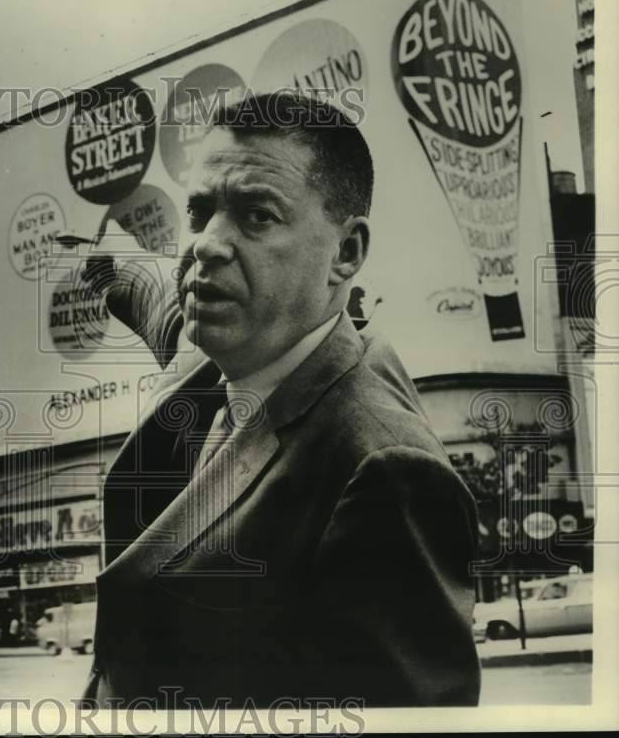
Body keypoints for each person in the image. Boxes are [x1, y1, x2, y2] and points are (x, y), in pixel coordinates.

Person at [80, 91, 480, 709]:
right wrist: (107, 271)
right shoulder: (237, 352)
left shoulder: (383, 469)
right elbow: (160, 313)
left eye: (257, 217)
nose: (206, 246)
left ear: (345, 253)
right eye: (199, 212)